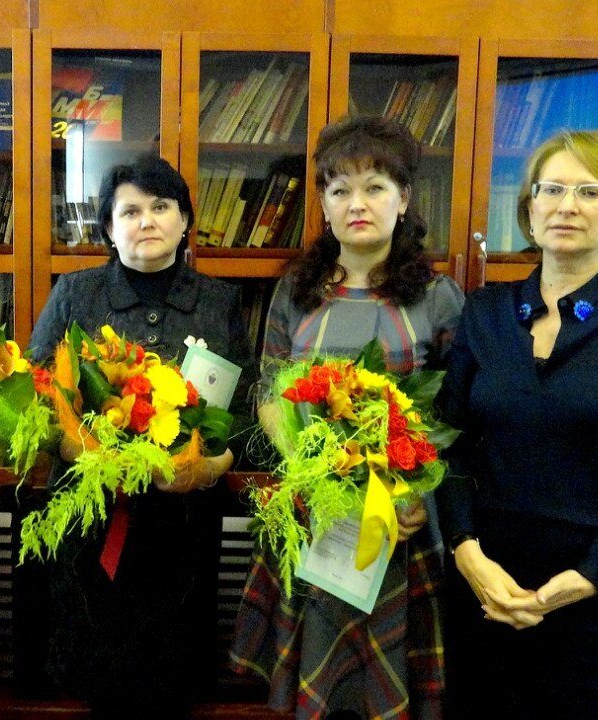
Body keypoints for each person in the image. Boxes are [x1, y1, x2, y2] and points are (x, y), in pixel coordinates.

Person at [435, 130, 598, 718]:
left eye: (589, 191)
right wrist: (465, 553)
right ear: (529, 209)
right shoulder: (485, 310)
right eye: (551, 189)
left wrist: (587, 577)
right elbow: (448, 445)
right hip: (487, 585)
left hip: (596, 590)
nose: (566, 205)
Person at [229, 115, 464, 720]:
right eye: (340, 190)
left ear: (403, 200)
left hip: (402, 524)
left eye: (375, 187)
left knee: (390, 692)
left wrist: (412, 496)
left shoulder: (438, 297)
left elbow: (455, 412)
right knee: (317, 687)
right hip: (314, 517)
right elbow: (269, 392)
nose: (357, 204)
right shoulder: (295, 291)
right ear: (324, 205)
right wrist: (315, 474)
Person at [27, 153, 257, 719]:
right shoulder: (75, 293)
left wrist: (212, 465)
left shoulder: (221, 301)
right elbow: (36, 391)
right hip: (92, 521)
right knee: (99, 680)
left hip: (185, 525)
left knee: (174, 683)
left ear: (185, 220)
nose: (147, 221)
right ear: (109, 228)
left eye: (161, 207)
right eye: (130, 211)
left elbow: (244, 406)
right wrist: (77, 446)